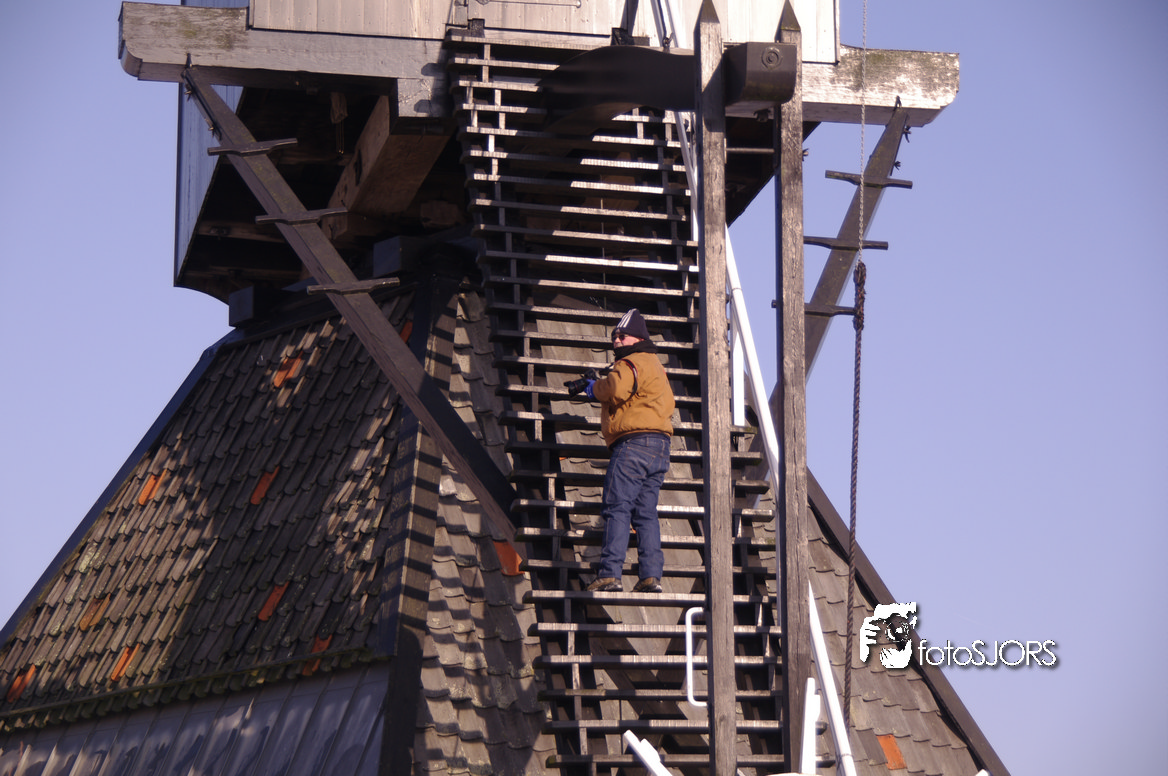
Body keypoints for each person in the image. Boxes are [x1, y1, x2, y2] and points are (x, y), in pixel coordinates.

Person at [582, 309, 675, 593]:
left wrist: (593, 387)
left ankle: (610, 574)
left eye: (623, 336)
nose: (617, 340)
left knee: (617, 508)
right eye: (615, 336)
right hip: (660, 446)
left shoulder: (630, 362)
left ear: (639, 338)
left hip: (633, 445)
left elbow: (614, 389)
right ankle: (651, 576)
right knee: (645, 513)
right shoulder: (656, 366)